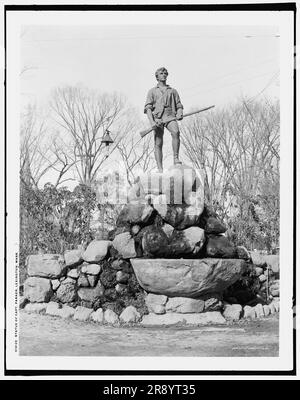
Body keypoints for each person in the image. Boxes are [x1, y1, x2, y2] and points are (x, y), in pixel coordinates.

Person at [144, 67, 184, 172]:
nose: (163, 75)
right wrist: (152, 122)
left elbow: (179, 105)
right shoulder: (152, 91)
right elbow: (148, 108)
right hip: (157, 119)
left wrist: (180, 112)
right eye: (161, 73)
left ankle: (176, 158)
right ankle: (160, 167)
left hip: (170, 116)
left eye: (165, 73)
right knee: (158, 142)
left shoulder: (173, 91)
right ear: (157, 76)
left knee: (176, 132)